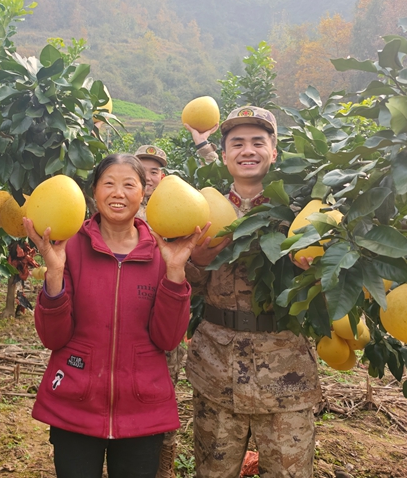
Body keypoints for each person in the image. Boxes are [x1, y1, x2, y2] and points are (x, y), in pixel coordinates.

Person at [23, 154, 202, 478]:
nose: (118, 193)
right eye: (109, 183)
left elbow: (168, 338)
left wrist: (175, 271)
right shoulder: (70, 245)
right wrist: (55, 272)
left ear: (144, 193)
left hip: (142, 407)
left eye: (128, 185)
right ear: (93, 191)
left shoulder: (161, 251)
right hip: (75, 403)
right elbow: (53, 338)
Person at [184, 106, 321, 478]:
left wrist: (315, 274)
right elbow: (184, 286)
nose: (248, 150)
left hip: (284, 372)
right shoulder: (201, 211)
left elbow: (330, 292)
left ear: (273, 152)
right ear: (225, 154)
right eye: (237, 143)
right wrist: (195, 259)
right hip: (216, 368)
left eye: (258, 142)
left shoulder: (301, 214)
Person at [134, 144, 182, 478]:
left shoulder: (176, 211)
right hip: (127, 322)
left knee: (162, 401)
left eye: (155, 171)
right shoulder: (119, 209)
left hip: (164, 321)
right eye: (143, 169)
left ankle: (162, 468)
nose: (149, 177)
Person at [134, 144, 166, 221]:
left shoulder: (167, 206)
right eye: (142, 171)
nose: (147, 178)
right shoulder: (122, 203)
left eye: (154, 172)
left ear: (162, 177)